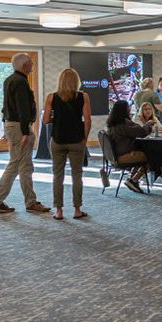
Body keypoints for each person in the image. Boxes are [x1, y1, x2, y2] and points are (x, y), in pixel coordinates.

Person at [0, 53, 50, 214]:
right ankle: (30, 202)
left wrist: (6, 128)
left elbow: (6, 107)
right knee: (25, 167)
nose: (32, 64)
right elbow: (22, 108)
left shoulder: (9, 80)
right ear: (24, 66)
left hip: (12, 126)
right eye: (30, 62)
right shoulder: (21, 82)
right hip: (19, 128)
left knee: (15, 164)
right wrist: (24, 132)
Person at [43, 68, 92, 220]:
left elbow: (45, 121)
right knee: (77, 175)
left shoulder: (52, 97)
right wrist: (84, 138)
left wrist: (56, 120)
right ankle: (77, 210)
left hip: (58, 139)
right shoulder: (83, 97)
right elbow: (88, 120)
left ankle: (59, 211)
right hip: (76, 139)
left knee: (58, 175)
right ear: (76, 81)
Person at [106, 100, 152, 193]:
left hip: (115, 155)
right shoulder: (124, 124)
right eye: (128, 107)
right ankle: (134, 180)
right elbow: (142, 132)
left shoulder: (112, 124)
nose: (130, 109)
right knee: (151, 157)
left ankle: (132, 179)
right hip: (124, 155)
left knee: (142, 156)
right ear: (124, 110)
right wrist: (149, 124)